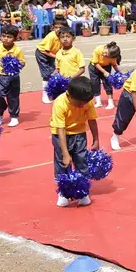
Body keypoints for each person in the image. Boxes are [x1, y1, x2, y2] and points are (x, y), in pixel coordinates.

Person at [51, 77, 100, 207]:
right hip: (61, 135)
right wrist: (65, 153)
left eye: (84, 103)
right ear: (69, 94)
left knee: (82, 162)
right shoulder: (60, 103)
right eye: (79, 103)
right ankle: (63, 193)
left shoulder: (86, 101)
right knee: (62, 164)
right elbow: (60, 128)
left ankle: (83, 192)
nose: (82, 106)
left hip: (79, 134)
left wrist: (96, 139)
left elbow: (92, 120)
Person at [0, 25, 24, 127]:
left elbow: (22, 63)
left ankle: (14, 116)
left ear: (14, 38)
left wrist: (15, 65)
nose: (5, 39)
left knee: (13, 97)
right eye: (3, 36)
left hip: (13, 77)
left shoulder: (17, 50)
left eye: (9, 37)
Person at [35, 17, 66, 103]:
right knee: (47, 74)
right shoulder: (51, 36)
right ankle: (45, 96)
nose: (58, 29)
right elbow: (46, 51)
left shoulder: (63, 36)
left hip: (52, 54)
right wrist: (57, 57)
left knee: (56, 71)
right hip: (42, 54)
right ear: (53, 27)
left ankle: (54, 92)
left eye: (61, 27)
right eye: (56, 27)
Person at [89, 42, 122, 108]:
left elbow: (114, 65)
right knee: (95, 83)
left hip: (106, 67)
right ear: (106, 47)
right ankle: (98, 102)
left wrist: (119, 73)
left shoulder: (112, 57)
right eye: (105, 53)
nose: (104, 55)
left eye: (107, 56)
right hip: (94, 68)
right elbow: (96, 63)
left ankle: (110, 102)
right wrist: (104, 72)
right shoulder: (98, 49)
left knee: (107, 83)